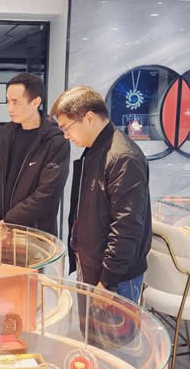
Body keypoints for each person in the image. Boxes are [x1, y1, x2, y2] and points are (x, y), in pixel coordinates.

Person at [50, 85, 151, 303]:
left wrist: (107, 282)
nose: (66, 136)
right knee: (88, 326)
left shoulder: (123, 157)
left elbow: (126, 226)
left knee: (111, 327)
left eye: (67, 128)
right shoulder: (94, 149)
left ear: (89, 118)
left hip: (114, 279)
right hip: (92, 267)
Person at [0, 73, 70, 236]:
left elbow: (47, 193)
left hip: (35, 233)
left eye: (15, 102)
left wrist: (9, 221)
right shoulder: (7, 133)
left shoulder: (56, 140)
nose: (9, 108)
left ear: (35, 102)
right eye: (7, 101)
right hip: (0, 232)